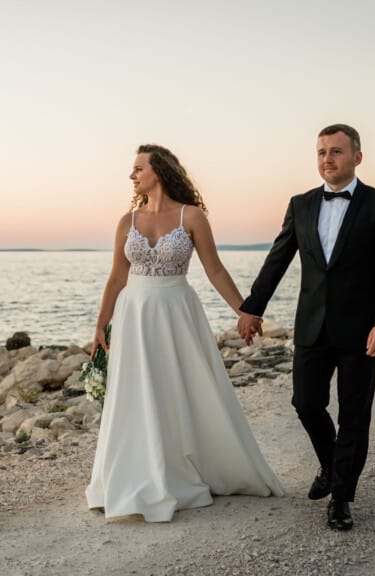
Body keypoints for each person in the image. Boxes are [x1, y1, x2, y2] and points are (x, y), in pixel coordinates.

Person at [86, 144, 284, 523]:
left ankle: (185, 466)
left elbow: (215, 270)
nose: (132, 175)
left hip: (176, 310)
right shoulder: (127, 221)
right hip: (133, 315)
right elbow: (116, 277)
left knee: (180, 387)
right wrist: (100, 324)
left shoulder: (191, 216)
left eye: (138, 168)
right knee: (136, 390)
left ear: (159, 170)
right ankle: (136, 472)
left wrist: (245, 311)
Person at [237, 124, 375, 531]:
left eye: (336, 151)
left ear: (357, 157)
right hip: (311, 326)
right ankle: (332, 466)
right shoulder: (301, 205)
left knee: (354, 416)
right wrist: (252, 309)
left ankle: (342, 499)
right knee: (306, 402)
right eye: (321, 152)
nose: (327, 159)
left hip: (362, 330)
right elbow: (277, 259)